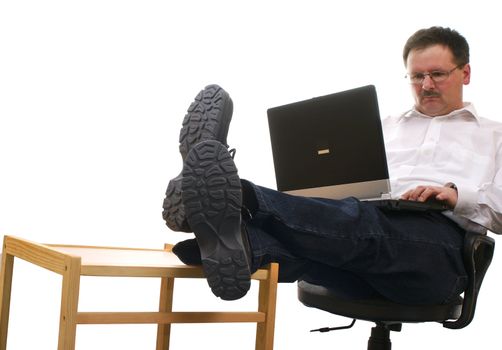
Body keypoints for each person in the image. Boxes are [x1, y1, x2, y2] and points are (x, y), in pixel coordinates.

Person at [162, 26, 502, 303]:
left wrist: (456, 195)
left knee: (362, 225)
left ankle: (232, 198)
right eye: (416, 77)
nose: (426, 85)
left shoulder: (494, 135)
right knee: (323, 242)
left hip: (438, 254)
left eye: (437, 74)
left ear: (466, 72)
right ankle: (239, 242)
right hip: (356, 235)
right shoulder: (380, 126)